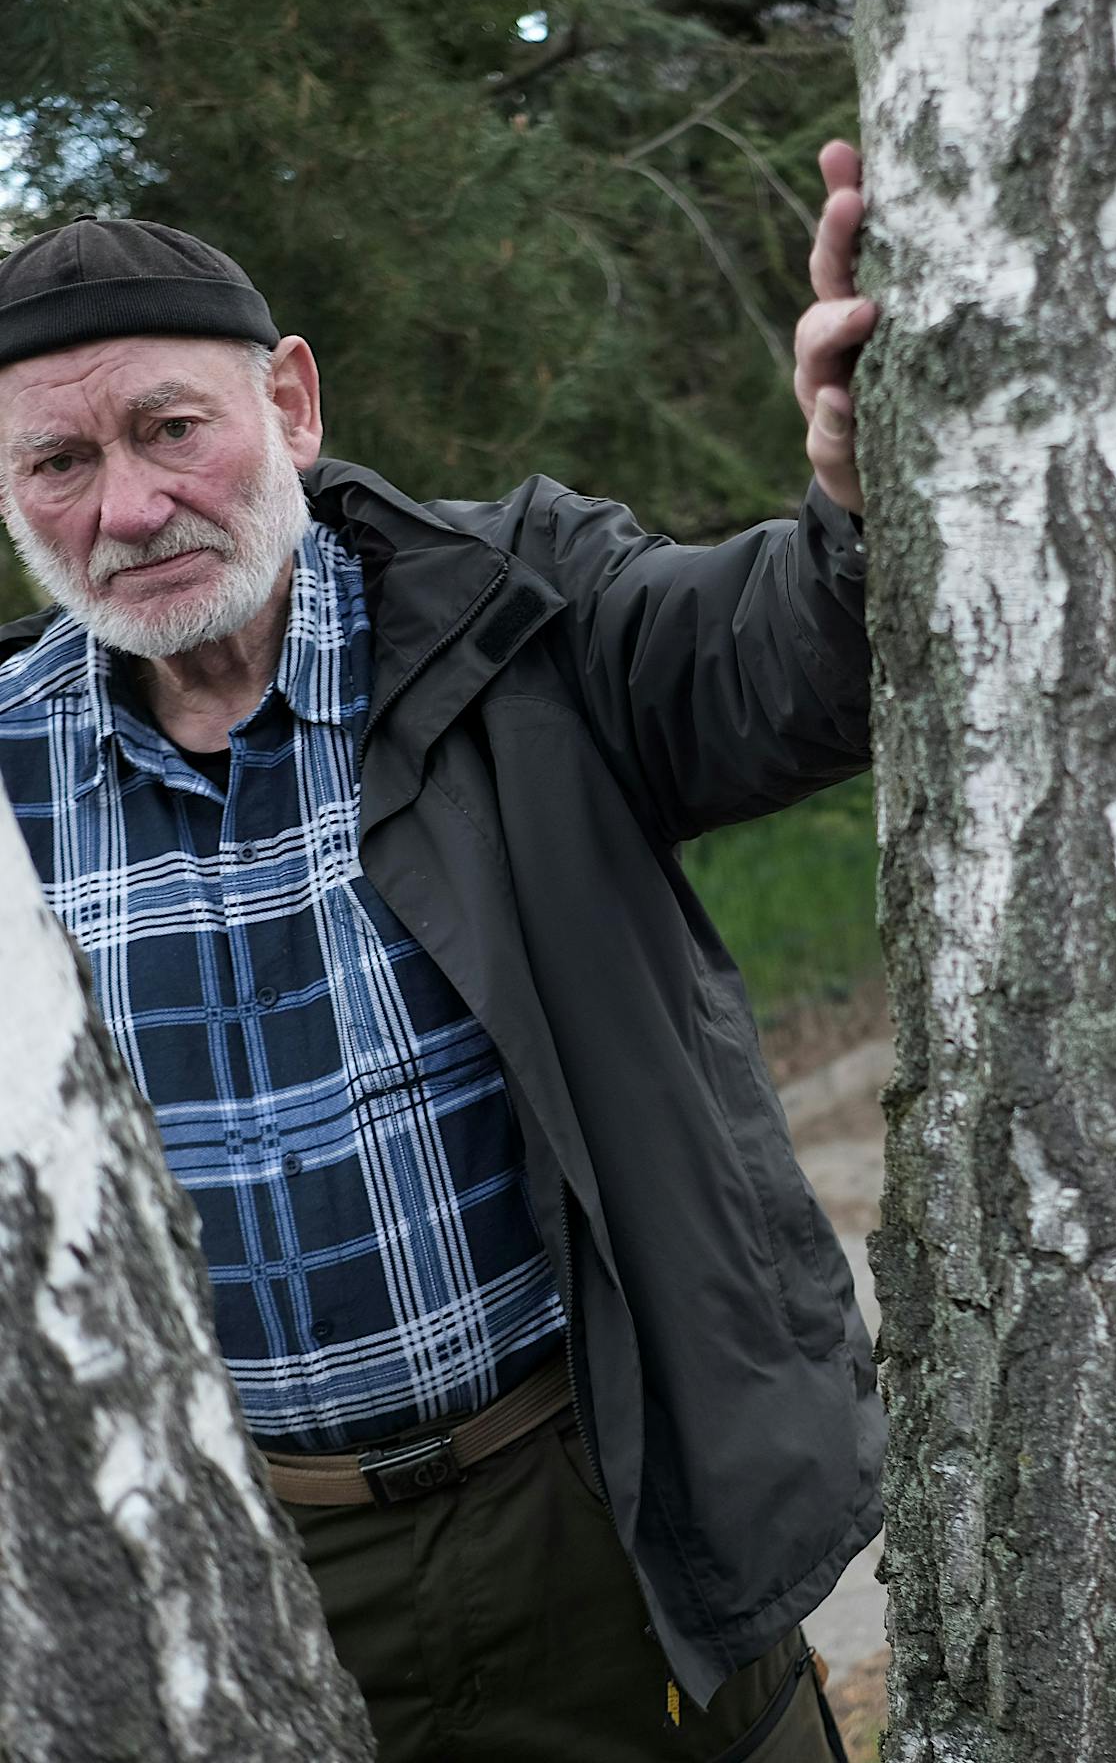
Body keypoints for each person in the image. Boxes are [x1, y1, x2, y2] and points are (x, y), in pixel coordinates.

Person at [0, 141, 882, 1763]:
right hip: (235, 1570)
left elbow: (792, 666)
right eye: (58, 463)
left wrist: (860, 492)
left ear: (292, 402)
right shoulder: (5, 784)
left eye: (170, 428)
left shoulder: (515, 616)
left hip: (592, 1501)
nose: (128, 507)